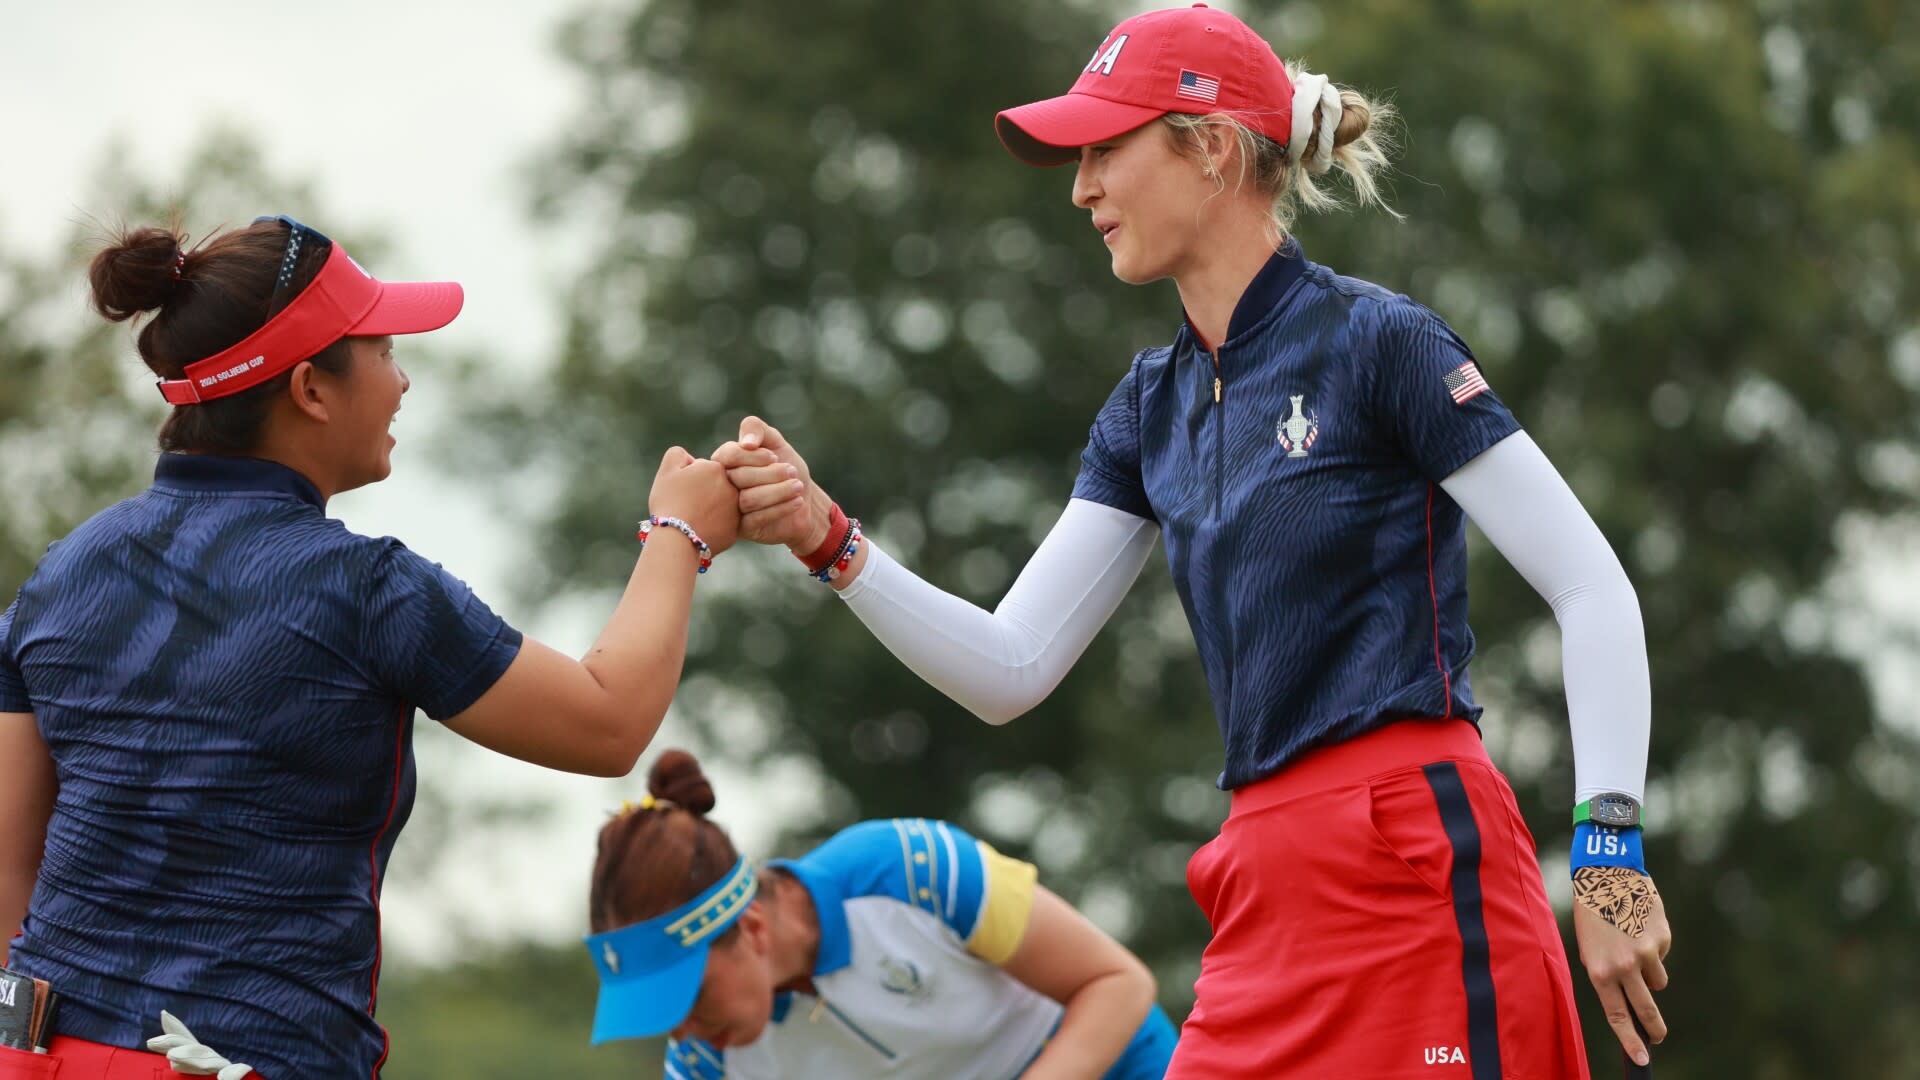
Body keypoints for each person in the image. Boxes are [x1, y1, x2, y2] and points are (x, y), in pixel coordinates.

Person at [713, 5, 1673, 1078]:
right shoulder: (1144, 407)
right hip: (1259, 885)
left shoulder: (1381, 342)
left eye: (1104, 151)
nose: (1081, 189)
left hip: (1417, 862)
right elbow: (1012, 667)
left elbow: (1591, 587)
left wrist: (1609, 864)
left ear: (1211, 145)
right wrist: (829, 539)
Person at [0, 216, 745, 1078]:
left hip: (38, 1057)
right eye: (385, 350)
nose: (402, 380)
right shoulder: (368, 589)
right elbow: (608, 724)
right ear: (312, 388)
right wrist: (679, 533)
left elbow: (12, 878)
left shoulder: (63, 574)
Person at [584, 750, 1177, 1079]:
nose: (680, 1030)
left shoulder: (907, 869)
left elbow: (1117, 983)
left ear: (753, 929)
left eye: (688, 997)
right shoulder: (704, 1063)